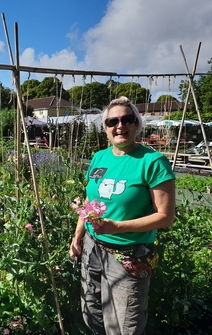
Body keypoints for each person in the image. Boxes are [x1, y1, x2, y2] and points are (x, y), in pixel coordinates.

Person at [69, 96, 176, 335]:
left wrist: (117, 226)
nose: (120, 125)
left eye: (127, 119)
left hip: (128, 255)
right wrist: (77, 238)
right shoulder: (99, 157)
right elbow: (89, 202)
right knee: (92, 312)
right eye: (112, 121)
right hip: (92, 247)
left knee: (124, 324)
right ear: (105, 128)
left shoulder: (152, 162)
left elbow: (165, 217)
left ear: (137, 124)